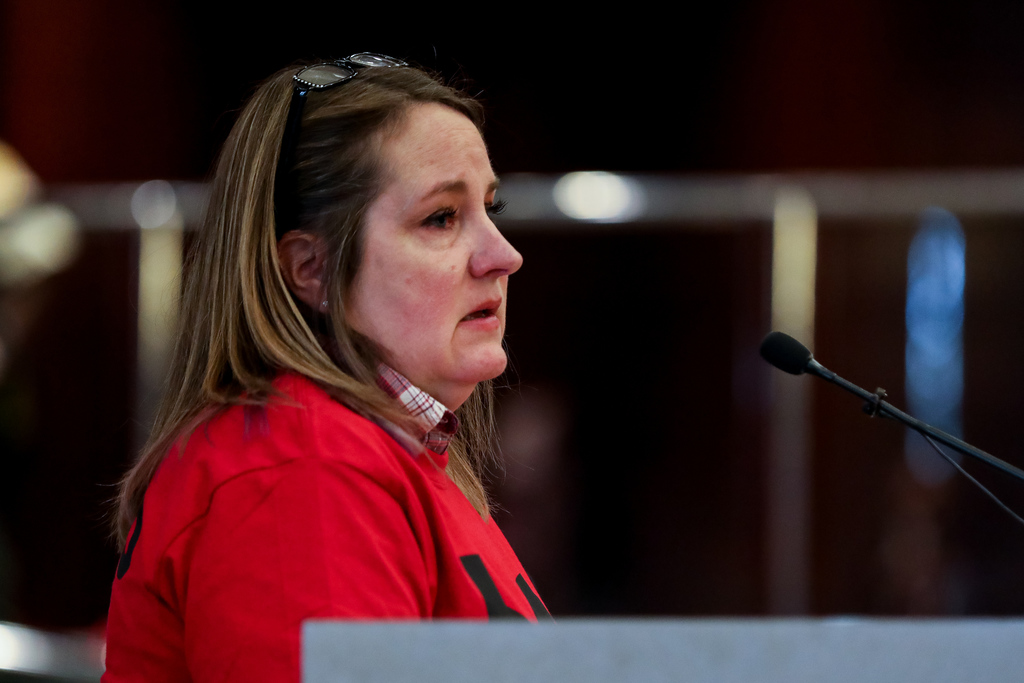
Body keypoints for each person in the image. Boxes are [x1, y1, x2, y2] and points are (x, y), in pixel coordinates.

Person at [103, 54, 546, 682]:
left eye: (490, 211)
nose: (504, 256)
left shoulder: (363, 452)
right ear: (311, 269)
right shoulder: (301, 468)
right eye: (442, 218)